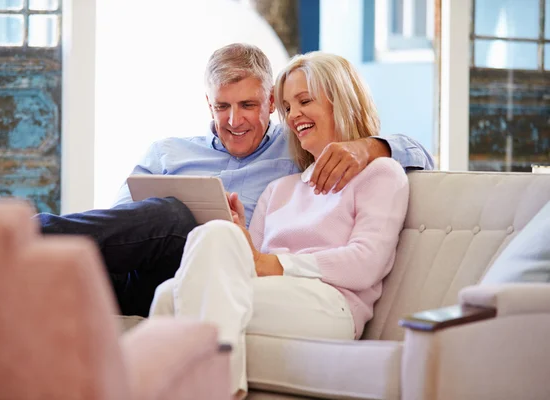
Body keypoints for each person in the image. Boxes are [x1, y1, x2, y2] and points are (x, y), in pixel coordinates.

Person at [39, 43, 432, 317]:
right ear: (207, 103)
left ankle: (27, 233)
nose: (234, 120)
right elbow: (118, 231)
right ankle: (16, 260)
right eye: (222, 106)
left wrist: (369, 146)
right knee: (83, 266)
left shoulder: (299, 146)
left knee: (179, 221)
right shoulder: (167, 152)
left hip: (219, 272)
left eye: (248, 105)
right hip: (143, 276)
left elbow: (421, 156)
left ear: (270, 103)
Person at [149, 51, 410, 398]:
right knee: (179, 280)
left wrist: (275, 263)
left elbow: (366, 263)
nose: (294, 115)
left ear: (341, 101)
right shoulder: (281, 189)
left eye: (305, 101)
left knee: (189, 289)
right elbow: (253, 265)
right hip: (277, 294)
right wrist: (240, 238)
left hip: (333, 304)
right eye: (288, 107)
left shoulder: (379, 172)